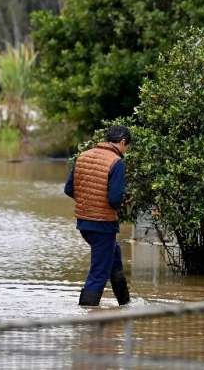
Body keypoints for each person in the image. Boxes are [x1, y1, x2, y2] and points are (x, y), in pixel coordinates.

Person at [64, 125, 132, 307]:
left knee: (114, 257)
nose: (126, 151)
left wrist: (89, 203)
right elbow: (114, 199)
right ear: (123, 142)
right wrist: (124, 203)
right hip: (103, 224)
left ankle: (125, 305)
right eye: (127, 147)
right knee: (98, 273)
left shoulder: (83, 156)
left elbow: (69, 189)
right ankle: (87, 315)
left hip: (84, 223)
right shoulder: (116, 162)